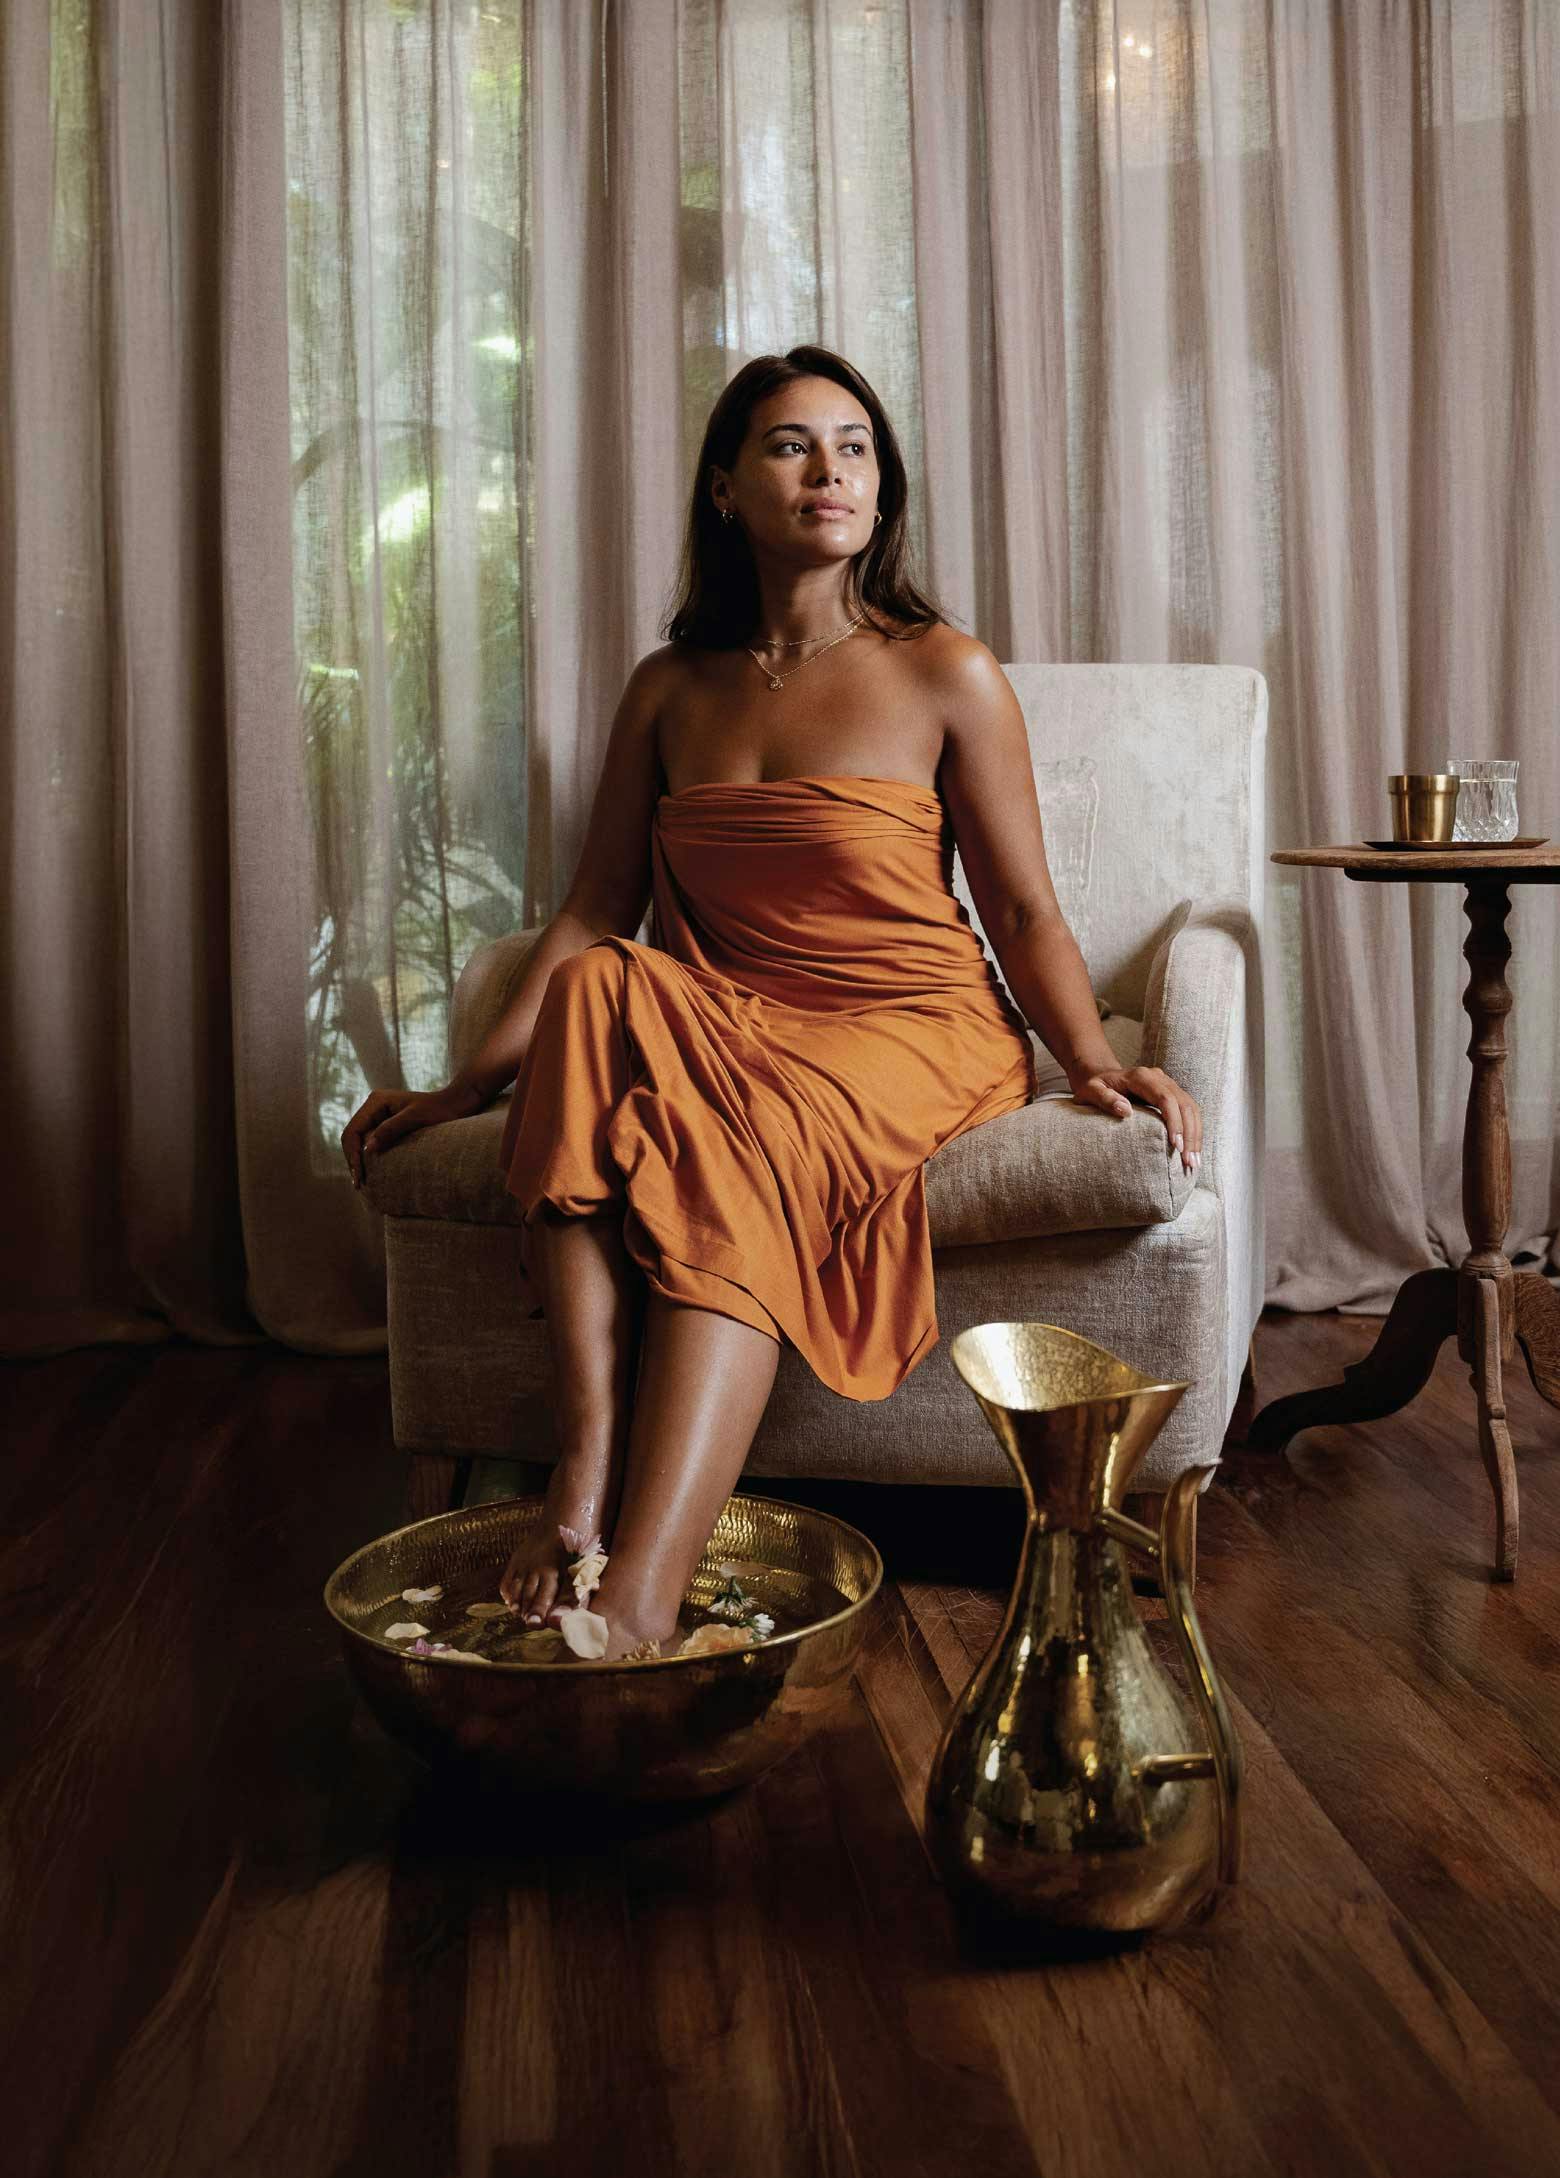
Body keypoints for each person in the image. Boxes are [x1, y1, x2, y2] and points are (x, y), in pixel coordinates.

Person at [340, 344, 1203, 1663]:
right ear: (727, 486)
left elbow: (1023, 911)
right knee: (595, 980)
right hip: (735, 1021)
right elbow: (590, 912)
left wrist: (1089, 1059)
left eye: (854, 446)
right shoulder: (671, 688)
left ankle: (639, 1592)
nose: (829, 471)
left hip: (914, 1030)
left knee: (727, 1144)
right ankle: (579, 1462)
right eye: (793, 445)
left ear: (882, 486)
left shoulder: (942, 670)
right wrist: (464, 1088)